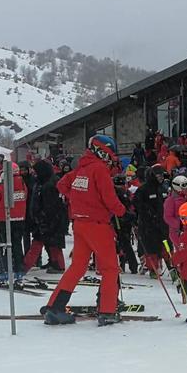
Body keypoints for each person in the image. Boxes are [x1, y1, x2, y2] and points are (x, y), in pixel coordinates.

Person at [43, 135, 127, 327]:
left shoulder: (81, 168)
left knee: (77, 267)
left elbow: (61, 185)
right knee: (110, 268)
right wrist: (123, 212)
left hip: (80, 224)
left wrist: (79, 201)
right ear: (103, 150)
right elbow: (109, 199)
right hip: (97, 225)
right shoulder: (99, 169)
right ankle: (107, 311)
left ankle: (54, 307)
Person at [24, 160, 67, 273]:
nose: (35, 174)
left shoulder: (49, 185)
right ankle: (57, 264)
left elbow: (51, 206)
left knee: (40, 244)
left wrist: (42, 219)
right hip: (48, 219)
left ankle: (25, 266)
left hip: (48, 220)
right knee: (52, 244)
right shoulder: (45, 181)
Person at [0, 163, 28, 282]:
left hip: (4, 219)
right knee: (17, 244)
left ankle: (5, 269)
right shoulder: (22, 184)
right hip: (20, 218)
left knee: (4, 245)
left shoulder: (1, 186)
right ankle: (19, 268)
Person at [134, 165, 169, 274]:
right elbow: (137, 206)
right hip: (148, 226)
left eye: (162, 175)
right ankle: (153, 269)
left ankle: (171, 266)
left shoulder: (163, 188)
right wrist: (147, 213)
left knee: (167, 246)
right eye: (158, 175)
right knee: (151, 249)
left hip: (163, 225)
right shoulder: (143, 190)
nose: (161, 178)